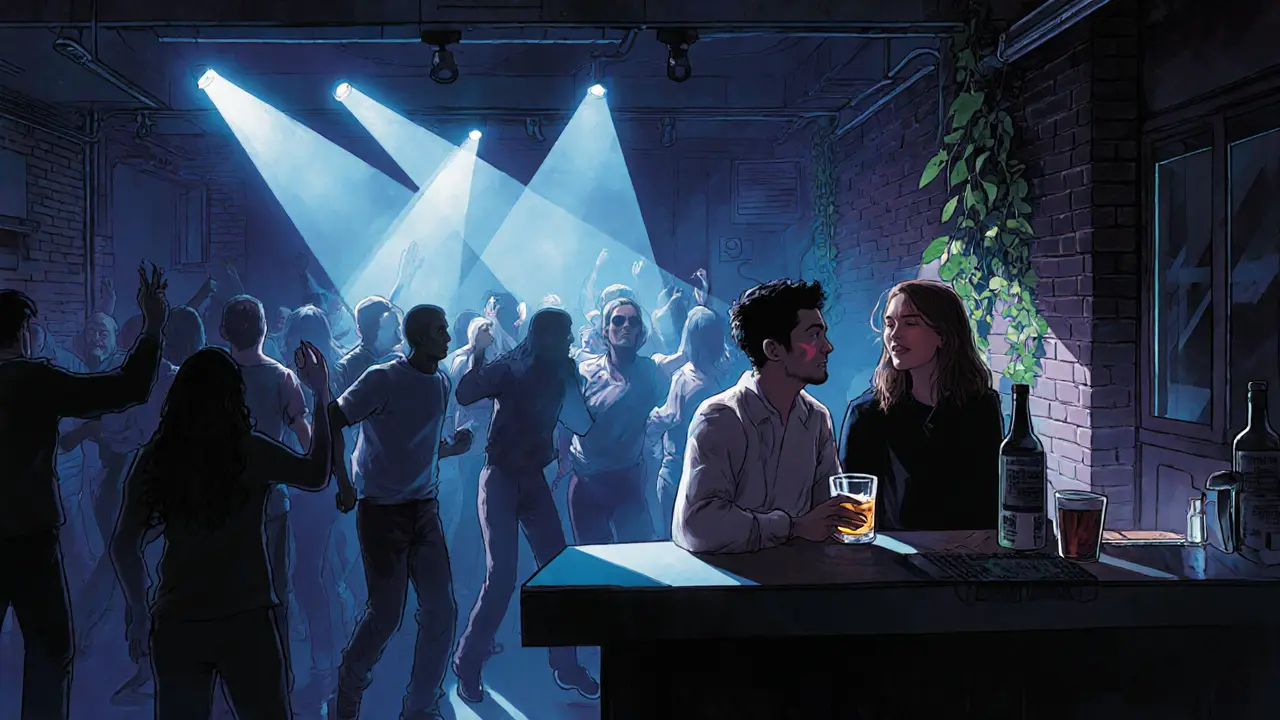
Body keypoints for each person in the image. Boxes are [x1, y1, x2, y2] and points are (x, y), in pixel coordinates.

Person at [111, 343, 333, 720]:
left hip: (180, 614)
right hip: (246, 614)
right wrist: (322, 394)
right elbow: (316, 474)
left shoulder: (158, 455)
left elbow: (123, 544)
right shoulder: (249, 450)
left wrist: (137, 607)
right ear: (234, 394)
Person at [0, 263, 167, 719]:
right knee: (51, 650)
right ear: (26, 334)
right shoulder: (35, 379)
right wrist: (152, 327)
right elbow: (126, 388)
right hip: (30, 532)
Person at [325, 305, 472, 720]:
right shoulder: (382, 378)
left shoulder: (440, 382)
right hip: (381, 513)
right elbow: (333, 418)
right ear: (419, 338)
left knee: (441, 608)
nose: (447, 338)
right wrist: (344, 482)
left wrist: (452, 449)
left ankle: (420, 708)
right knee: (386, 614)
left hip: (423, 510)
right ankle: (347, 696)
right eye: (440, 331)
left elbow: (418, 444)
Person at [452, 308, 599, 704]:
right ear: (548, 336)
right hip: (500, 479)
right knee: (501, 577)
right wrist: (478, 354)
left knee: (557, 572)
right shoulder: (509, 367)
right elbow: (465, 394)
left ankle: (565, 665)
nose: (569, 340)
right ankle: (467, 664)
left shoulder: (558, 370)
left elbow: (580, 422)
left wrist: (575, 385)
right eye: (564, 333)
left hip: (531, 481)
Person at [672, 279, 862, 555]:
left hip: (802, 580)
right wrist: (792, 527)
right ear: (773, 350)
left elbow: (827, 515)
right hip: (731, 585)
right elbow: (696, 526)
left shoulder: (817, 418)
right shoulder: (720, 417)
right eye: (813, 336)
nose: (827, 347)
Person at [841, 280, 1004, 531]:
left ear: (943, 334)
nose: (894, 334)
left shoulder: (981, 407)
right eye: (889, 324)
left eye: (910, 323)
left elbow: (991, 501)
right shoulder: (868, 414)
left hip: (970, 558)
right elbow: (852, 513)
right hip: (892, 559)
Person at [221, 295, 314, 691]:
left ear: (225, 332)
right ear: (264, 331)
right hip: (270, 504)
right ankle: (279, 677)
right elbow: (307, 442)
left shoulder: (212, 377)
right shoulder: (283, 378)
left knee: (224, 592)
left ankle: (228, 681)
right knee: (276, 592)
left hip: (220, 503)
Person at [567, 298, 663, 545]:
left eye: (633, 321)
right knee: (596, 568)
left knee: (639, 560)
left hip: (628, 481)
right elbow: (566, 421)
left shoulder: (651, 371)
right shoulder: (584, 372)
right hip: (588, 481)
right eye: (618, 320)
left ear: (640, 330)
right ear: (605, 330)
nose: (625, 326)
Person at [646, 307, 730, 539]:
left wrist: (643, 422)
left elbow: (669, 417)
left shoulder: (685, 377)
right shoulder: (723, 374)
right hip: (714, 471)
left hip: (677, 470)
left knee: (674, 540)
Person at [334, 296, 402, 394]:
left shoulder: (345, 367)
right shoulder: (346, 368)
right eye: (395, 328)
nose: (399, 336)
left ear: (359, 331)